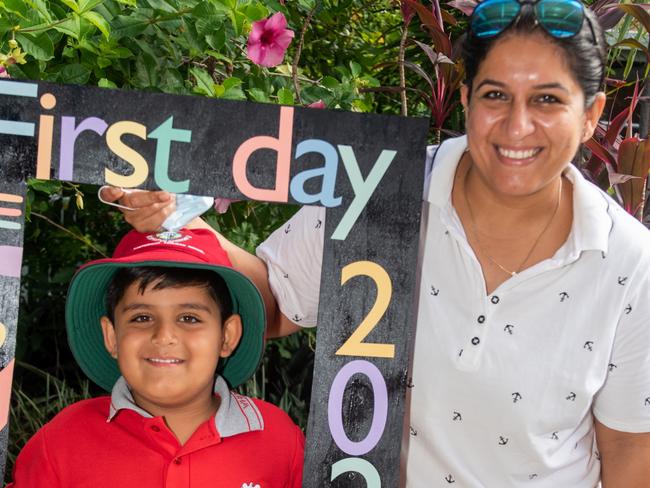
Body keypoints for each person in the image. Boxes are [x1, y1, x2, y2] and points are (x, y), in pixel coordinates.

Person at [101, 0, 650, 485]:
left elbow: (630, 447)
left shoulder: (631, 262)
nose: (517, 125)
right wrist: (183, 224)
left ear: (591, 116)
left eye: (549, 99)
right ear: (464, 98)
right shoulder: (382, 190)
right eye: (495, 95)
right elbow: (269, 303)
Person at [8, 228, 304, 487]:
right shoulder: (63, 441)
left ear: (226, 336)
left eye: (189, 318)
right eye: (141, 317)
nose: (164, 336)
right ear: (112, 336)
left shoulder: (280, 441)